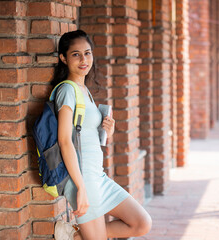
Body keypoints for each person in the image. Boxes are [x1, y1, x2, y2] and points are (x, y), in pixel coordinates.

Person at [52, 30, 152, 240]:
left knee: (141, 223)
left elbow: (82, 135)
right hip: (83, 178)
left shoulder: (84, 89)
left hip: (98, 175)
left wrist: (105, 131)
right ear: (63, 58)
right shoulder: (67, 91)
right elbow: (64, 141)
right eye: (76, 54)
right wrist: (80, 187)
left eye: (87, 53)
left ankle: (74, 236)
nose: (83, 60)